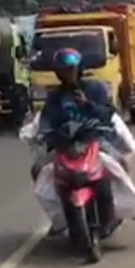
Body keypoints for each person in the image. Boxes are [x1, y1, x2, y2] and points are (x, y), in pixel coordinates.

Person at [39, 48, 118, 235]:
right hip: (66, 145)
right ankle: (59, 217)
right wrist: (47, 135)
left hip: (94, 139)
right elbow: (46, 120)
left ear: (79, 69)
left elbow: (108, 113)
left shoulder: (95, 89)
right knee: (38, 169)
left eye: (71, 70)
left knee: (118, 163)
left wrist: (87, 105)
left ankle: (113, 214)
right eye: (64, 71)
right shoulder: (55, 96)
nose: (68, 74)